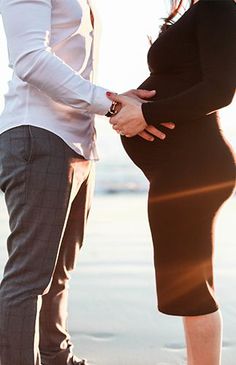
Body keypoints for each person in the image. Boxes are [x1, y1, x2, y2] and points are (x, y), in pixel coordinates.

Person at [0, 1, 175, 365]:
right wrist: (110, 105)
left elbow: (72, 67)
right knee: (30, 278)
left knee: (58, 272)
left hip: (76, 141)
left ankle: (56, 358)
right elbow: (30, 58)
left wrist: (114, 99)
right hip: (39, 135)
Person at [107, 0, 236, 364]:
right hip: (183, 169)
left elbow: (221, 90)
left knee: (189, 290)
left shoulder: (217, 6)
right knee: (190, 287)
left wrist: (147, 113)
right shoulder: (201, 9)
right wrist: (133, 103)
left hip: (192, 169)